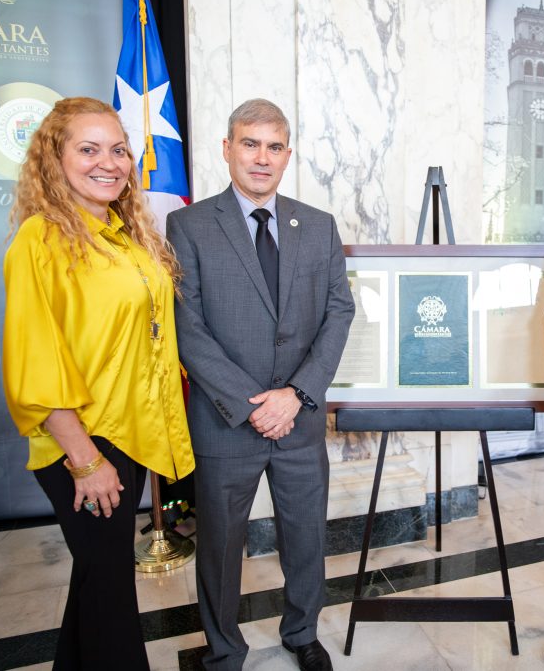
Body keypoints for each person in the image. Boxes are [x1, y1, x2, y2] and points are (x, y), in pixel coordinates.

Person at [2, 97, 195, 669]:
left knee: (97, 580)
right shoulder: (42, 238)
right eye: (88, 149)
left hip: (129, 433)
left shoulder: (124, 233)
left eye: (118, 150)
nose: (108, 162)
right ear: (53, 158)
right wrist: (85, 458)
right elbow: (36, 360)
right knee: (111, 594)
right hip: (82, 442)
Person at [167, 99, 354, 671]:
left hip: (296, 422)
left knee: (305, 540)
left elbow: (338, 312)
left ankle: (302, 634)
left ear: (288, 155)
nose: (262, 157)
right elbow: (187, 327)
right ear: (226, 148)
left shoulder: (317, 225)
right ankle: (224, 648)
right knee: (221, 549)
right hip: (227, 424)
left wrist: (295, 396)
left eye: (274, 147)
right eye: (250, 143)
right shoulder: (189, 224)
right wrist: (253, 405)